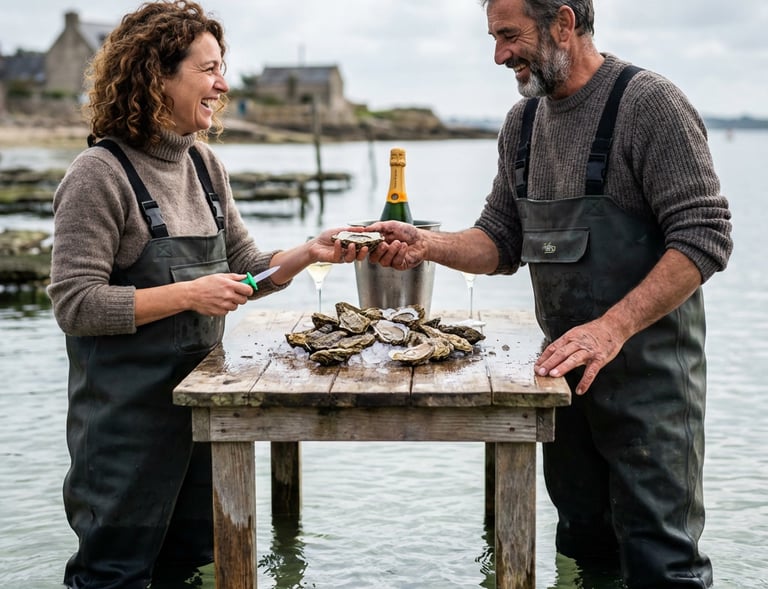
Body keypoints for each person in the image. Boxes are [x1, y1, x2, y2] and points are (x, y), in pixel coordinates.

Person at [367, 0, 733, 587]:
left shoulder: (650, 105)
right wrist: (426, 246)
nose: (499, 54)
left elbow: (704, 236)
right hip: (563, 382)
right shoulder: (523, 124)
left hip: (651, 386)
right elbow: (500, 239)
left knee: (663, 561)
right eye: (493, 38)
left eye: (509, 35)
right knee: (586, 549)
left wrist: (610, 329)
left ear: (564, 22)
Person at [47, 2, 367, 587]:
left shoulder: (203, 164)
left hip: (202, 421)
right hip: (124, 431)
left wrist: (307, 252)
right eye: (210, 69)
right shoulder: (98, 175)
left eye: (224, 68)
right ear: (156, 76)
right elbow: (75, 304)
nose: (223, 84)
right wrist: (189, 293)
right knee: (113, 574)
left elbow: (245, 267)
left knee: (189, 569)